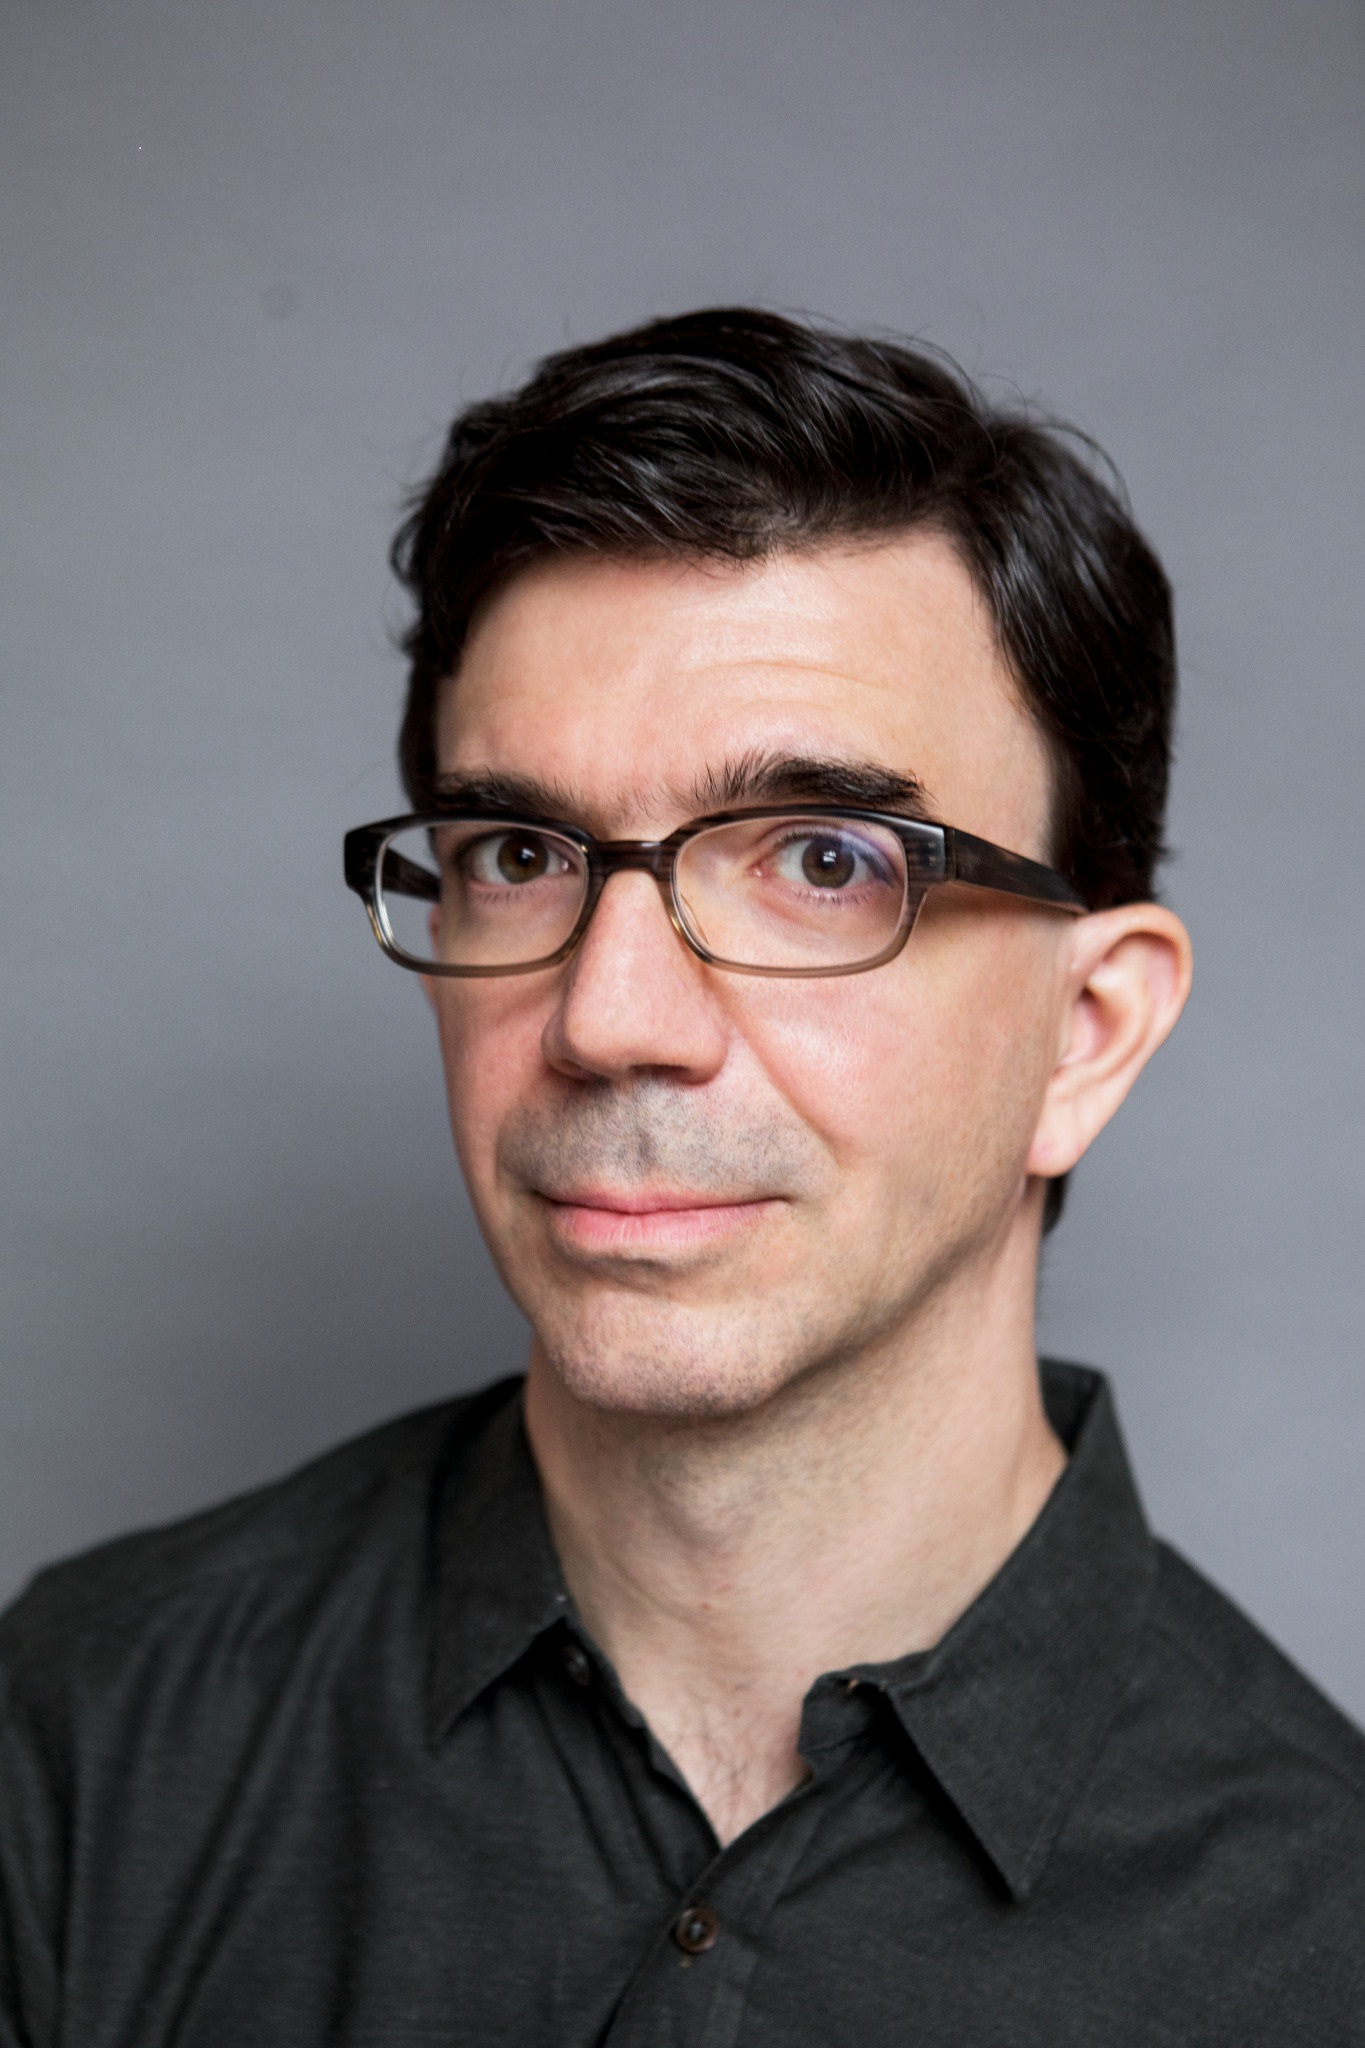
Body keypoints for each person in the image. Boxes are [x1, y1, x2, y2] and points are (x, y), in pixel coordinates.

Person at [2, 309, 1361, 2047]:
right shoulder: (85, 1739)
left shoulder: (1325, 1943)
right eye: (514, 853)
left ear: (1084, 1032)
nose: (607, 1016)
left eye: (817, 859)